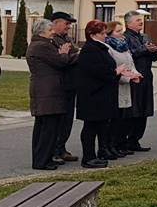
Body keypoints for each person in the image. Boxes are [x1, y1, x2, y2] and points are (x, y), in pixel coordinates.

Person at [75, 20, 123, 168]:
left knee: (101, 126)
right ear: (92, 35)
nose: (105, 36)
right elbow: (97, 71)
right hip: (92, 95)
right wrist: (116, 72)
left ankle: (100, 152)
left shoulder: (100, 48)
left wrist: (116, 73)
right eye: (102, 33)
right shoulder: (90, 49)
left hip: (102, 94)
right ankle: (88, 157)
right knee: (90, 127)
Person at [26, 18, 72, 170]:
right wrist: (64, 53)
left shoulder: (40, 44)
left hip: (45, 90)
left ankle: (43, 159)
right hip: (47, 91)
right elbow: (60, 62)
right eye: (50, 30)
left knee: (44, 127)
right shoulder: (42, 46)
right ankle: (42, 161)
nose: (53, 32)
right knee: (47, 128)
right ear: (42, 32)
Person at [120, 11, 157, 152]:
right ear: (128, 23)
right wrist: (144, 49)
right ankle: (125, 141)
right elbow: (130, 55)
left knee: (144, 110)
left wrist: (154, 51)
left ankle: (135, 140)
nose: (141, 22)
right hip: (133, 78)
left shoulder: (144, 37)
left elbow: (153, 57)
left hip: (146, 76)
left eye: (141, 20)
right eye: (137, 20)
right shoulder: (125, 38)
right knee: (133, 111)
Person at [103, 21, 141, 160]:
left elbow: (130, 63)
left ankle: (119, 144)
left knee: (122, 119)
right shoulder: (108, 48)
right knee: (113, 120)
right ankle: (110, 146)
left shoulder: (124, 46)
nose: (121, 34)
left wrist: (135, 74)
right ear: (110, 33)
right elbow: (113, 69)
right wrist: (126, 77)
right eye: (118, 31)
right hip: (116, 86)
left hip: (126, 86)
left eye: (121, 30)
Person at [47, 12, 80, 164]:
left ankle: (61, 148)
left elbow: (70, 54)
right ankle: (54, 150)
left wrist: (73, 54)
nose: (68, 27)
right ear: (56, 23)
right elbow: (61, 60)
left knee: (67, 120)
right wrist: (77, 55)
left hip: (71, 84)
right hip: (59, 85)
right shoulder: (52, 40)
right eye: (66, 24)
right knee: (58, 120)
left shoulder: (67, 39)